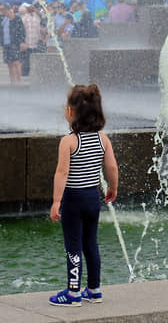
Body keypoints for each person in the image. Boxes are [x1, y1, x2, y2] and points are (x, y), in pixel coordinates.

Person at [48, 84, 118, 306]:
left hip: (73, 200)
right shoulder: (102, 139)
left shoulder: (68, 141)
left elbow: (62, 173)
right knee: (91, 244)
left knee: (73, 245)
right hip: (92, 198)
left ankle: (73, 293)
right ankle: (94, 289)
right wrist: (113, 188)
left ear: (71, 112)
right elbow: (112, 167)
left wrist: (56, 200)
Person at [0, 3, 25, 83]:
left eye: (3, 9)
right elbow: (2, 30)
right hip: (6, 43)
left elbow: (22, 31)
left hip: (14, 43)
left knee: (16, 62)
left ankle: (19, 81)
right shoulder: (4, 19)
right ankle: (12, 81)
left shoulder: (16, 18)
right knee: (9, 63)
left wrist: (22, 42)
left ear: (7, 9)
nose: (1, 11)